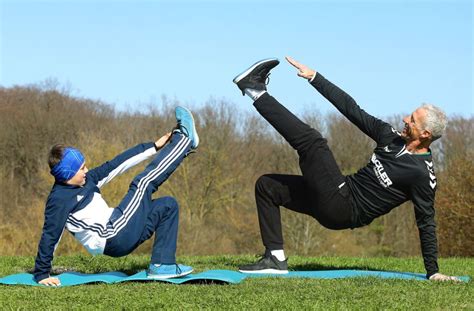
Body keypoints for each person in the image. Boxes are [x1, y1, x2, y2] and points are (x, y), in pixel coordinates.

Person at [232, 57, 460, 281]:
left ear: (425, 135)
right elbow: (352, 109)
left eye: (412, 120)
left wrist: (433, 271)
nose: (404, 119)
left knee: (313, 143)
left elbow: (426, 221)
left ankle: (255, 91)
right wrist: (315, 78)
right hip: (337, 193)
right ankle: (274, 258)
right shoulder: (390, 137)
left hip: (344, 210)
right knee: (268, 186)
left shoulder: (422, 174)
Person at [33, 106, 199, 286]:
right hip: (113, 235)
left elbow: (117, 164)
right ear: (67, 176)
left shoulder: (87, 180)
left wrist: (154, 146)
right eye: (81, 169)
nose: (86, 170)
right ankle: (184, 140)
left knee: (167, 205)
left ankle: (162, 265)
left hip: (122, 229)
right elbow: (50, 235)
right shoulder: (59, 200)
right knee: (142, 184)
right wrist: (42, 274)